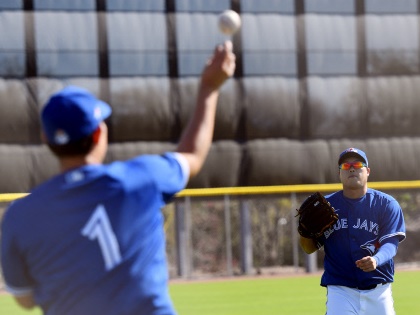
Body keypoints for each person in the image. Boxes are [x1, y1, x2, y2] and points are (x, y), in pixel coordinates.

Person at [0, 41, 236, 315]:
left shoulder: (20, 215)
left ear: (46, 139)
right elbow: (193, 155)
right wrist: (209, 88)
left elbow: (24, 299)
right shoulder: (142, 179)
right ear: (99, 133)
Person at [299, 147, 406, 315]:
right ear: (339, 173)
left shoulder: (386, 204)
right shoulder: (325, 207)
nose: (351, 168)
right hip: (341, 291)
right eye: (345, 166)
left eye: (357, 164)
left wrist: (376, 260)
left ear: (368, 171)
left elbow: (391, 244)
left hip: (379, 291)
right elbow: (309, 248)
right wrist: (305, 232)